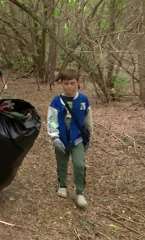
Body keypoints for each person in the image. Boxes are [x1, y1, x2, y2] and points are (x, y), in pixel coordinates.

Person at [47, 69, 93, 209]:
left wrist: (89, 138)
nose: (69, 86)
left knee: (79, 165)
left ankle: (80, 192)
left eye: (72, 83)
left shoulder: (83, 100)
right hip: (61, 139)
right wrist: (54, 137)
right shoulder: (56, 101)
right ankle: (62, 185)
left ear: (77, 83)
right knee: (62, 163)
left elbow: (88, 120)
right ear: (61, 84)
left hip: (77, 139)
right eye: (66, 83)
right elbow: (51, 120)